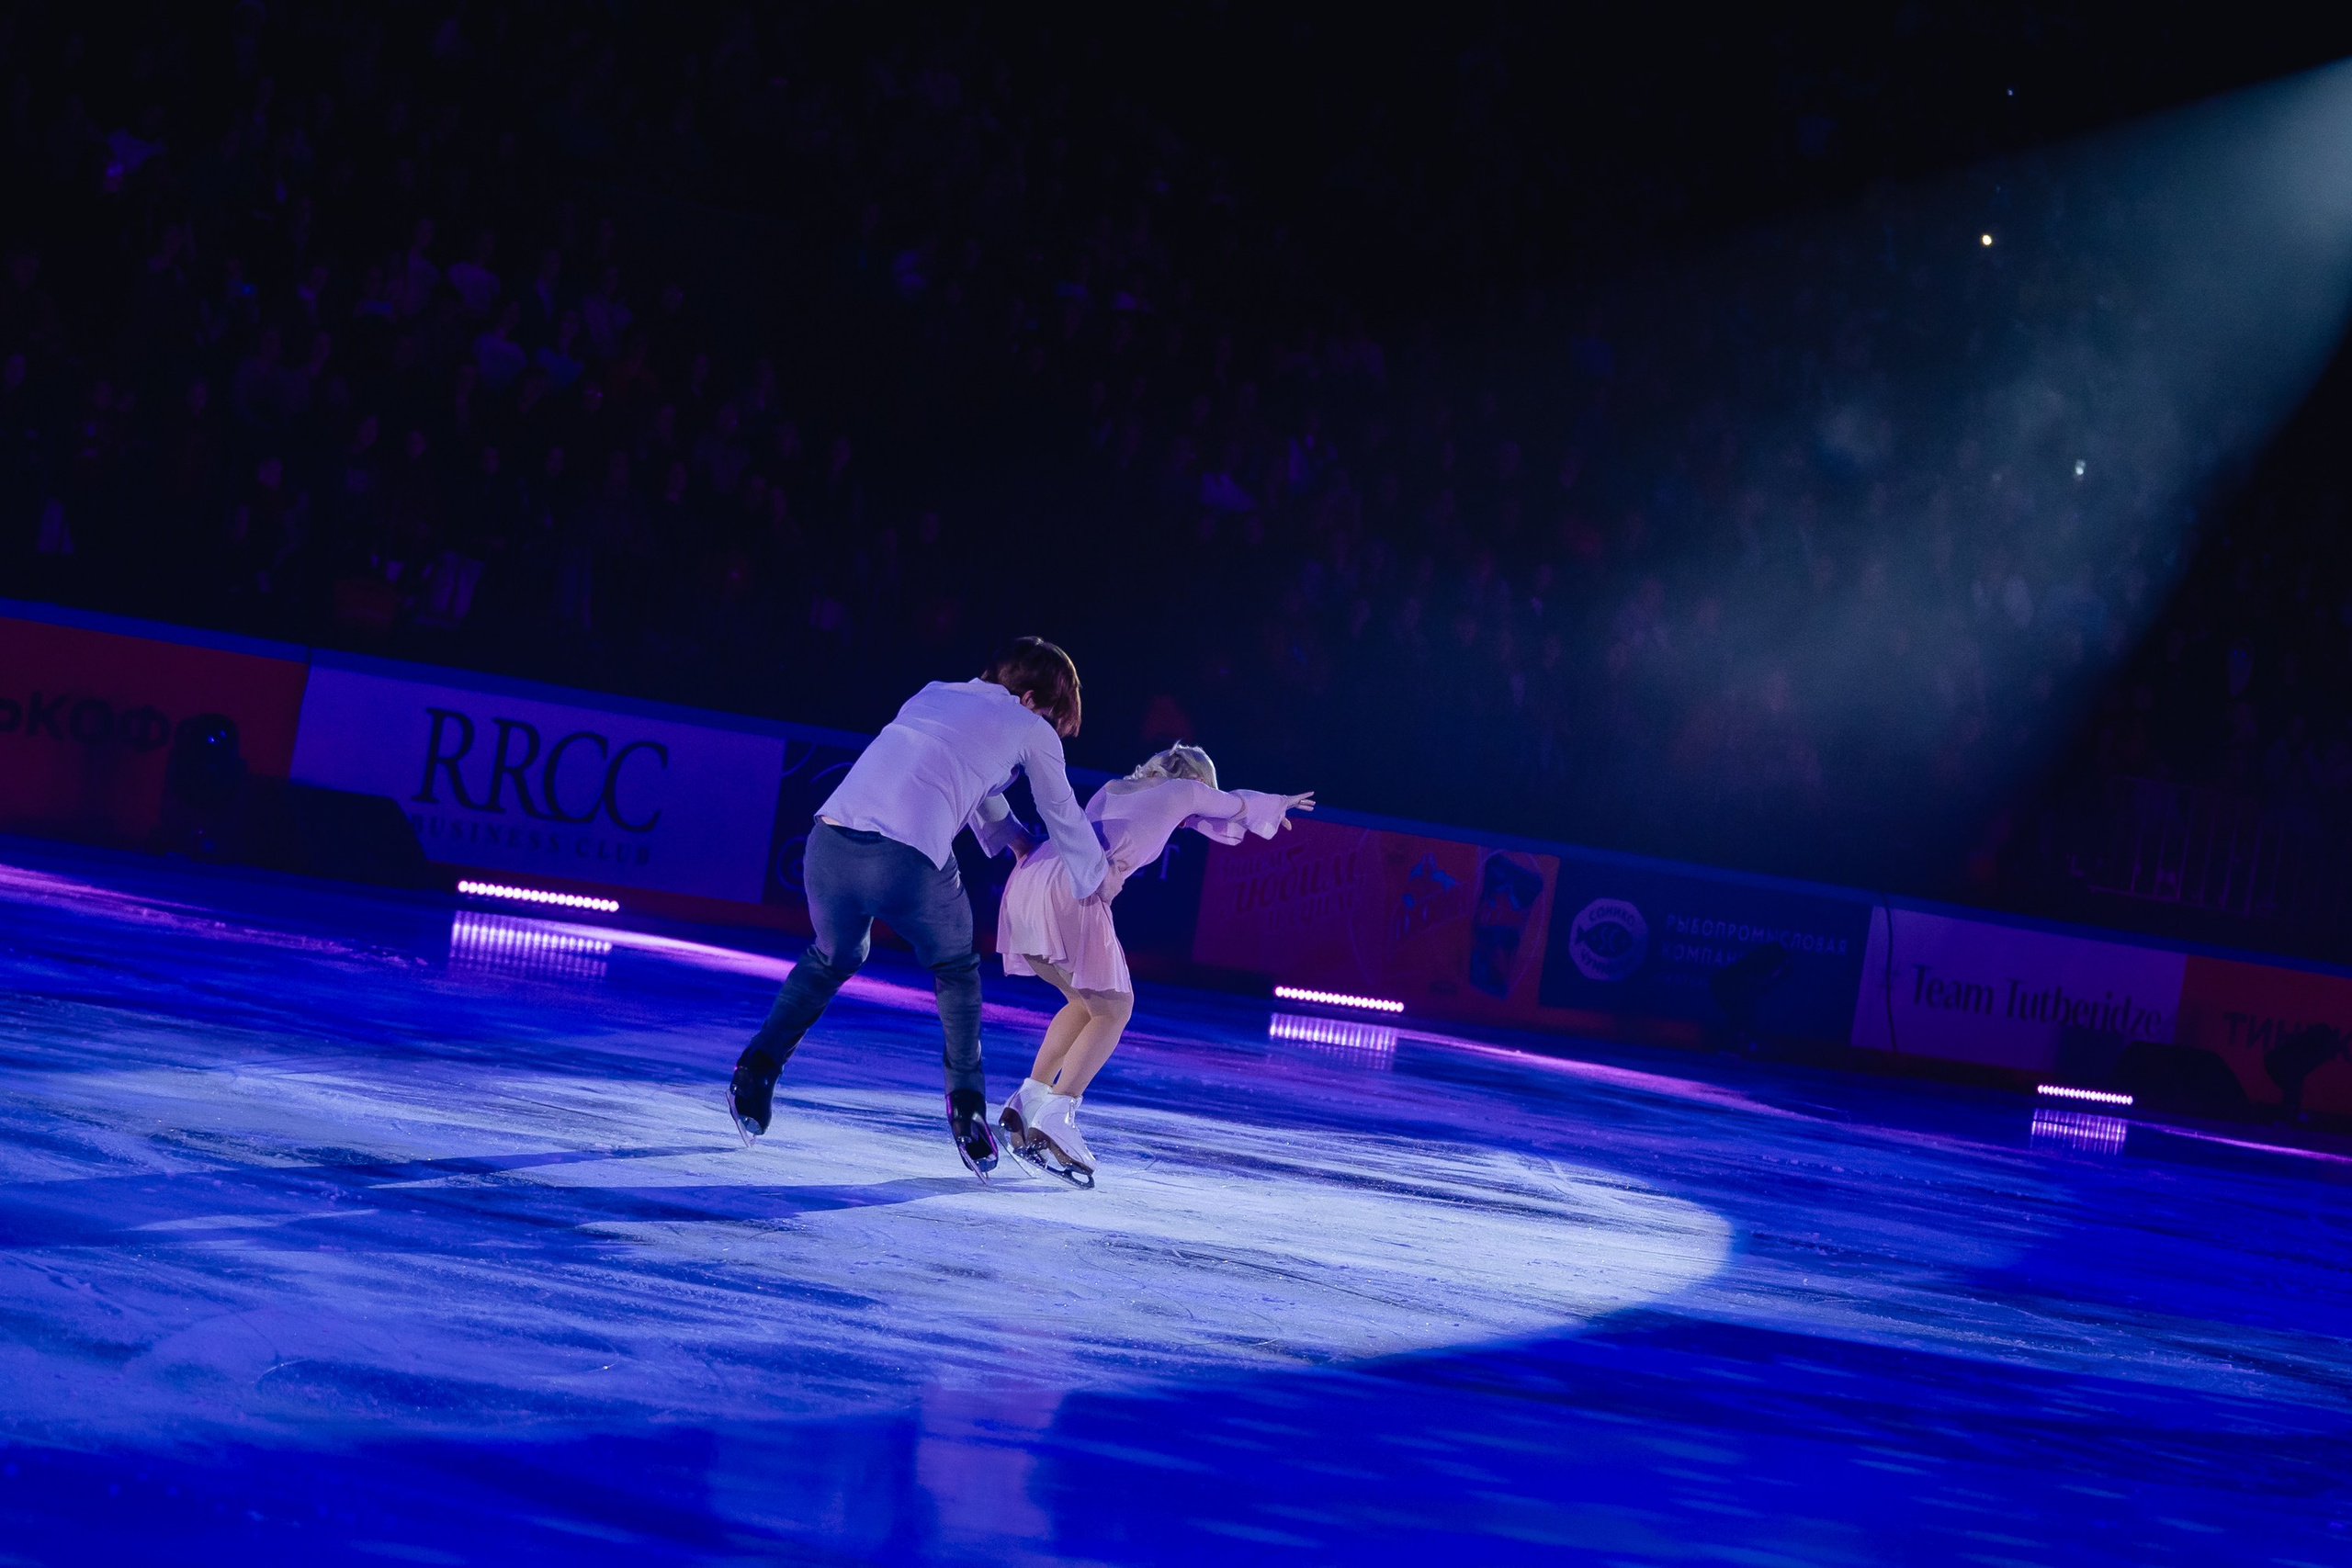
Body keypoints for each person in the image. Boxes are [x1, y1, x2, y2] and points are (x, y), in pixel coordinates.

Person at [728, 637, 1109, 1176]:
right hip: (906, 862)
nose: (1047, 724)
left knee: (832, 957)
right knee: (955, 972)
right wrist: (1095, 878)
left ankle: (756, 1069)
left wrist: (1014, 841)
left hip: (828, 842)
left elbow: (960, 769)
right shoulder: (1029, 726)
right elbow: (1062, 810)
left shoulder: (935, 692)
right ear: (1029, 700)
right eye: (1048, 714)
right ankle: (968, 1111)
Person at [997, 743, 1312, 1178]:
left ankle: (1029, 1100)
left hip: (1034, 873)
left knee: (1085, 1004)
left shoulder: (1115, 787)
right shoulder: (1185, 790)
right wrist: (1278, 804)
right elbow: (1235, 804)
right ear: (1198, 780)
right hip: (1071, 888)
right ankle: (1058, 1112)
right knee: (1115, 1009)